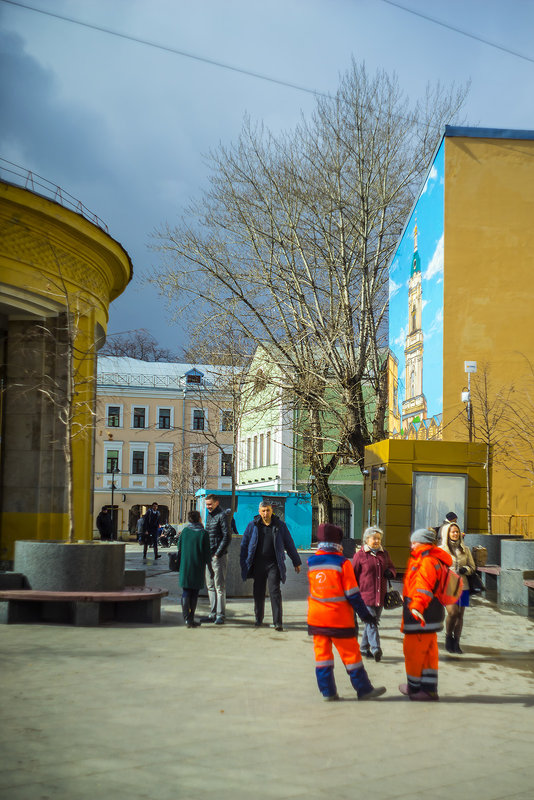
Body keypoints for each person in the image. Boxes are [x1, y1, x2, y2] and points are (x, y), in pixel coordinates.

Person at [307, 523, 386, 702]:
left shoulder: (311, 562)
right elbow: (353, 595)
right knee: (351, 656)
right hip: (339, 619)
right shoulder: (343, 563)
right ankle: (364, 690)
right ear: (338, 542)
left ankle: (328, 692)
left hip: (317, 619)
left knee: (322, 657)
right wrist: (366, 616)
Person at [399, 527, 453, 702]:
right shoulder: (433, 558)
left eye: (414, 542)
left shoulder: (426, 560)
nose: (411, 545)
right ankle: (429, 689)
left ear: (422, 543)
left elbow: (423, 588)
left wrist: (416, 607)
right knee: (429, 654)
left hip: (421, 616)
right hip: (433, 614)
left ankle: (414, 687)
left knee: (413, 653)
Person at [240, 501, 302, 631]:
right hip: (258, 564)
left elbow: (289, 544)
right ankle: (258, 618)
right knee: (258, 592)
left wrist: (296, 561)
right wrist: (243, 563)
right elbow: (244, 544)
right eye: (263, 511)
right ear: (259, 511)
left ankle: (278, 622)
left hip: (274, 564)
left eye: (267, 510)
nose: (265, 513)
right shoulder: (253, 526)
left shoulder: (280, 526)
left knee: (275, 592)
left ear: (271, 510)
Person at [351, 526, 396, 662]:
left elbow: (392, 567)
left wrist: (391, 573)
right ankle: (376, 648)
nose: (377, 541)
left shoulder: (385, 554)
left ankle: (364, 648)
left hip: (380, 595)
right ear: (367, 539)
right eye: (374, 538)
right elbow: (352, 575)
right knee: (371, 622)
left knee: (372, 622)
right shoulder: (360, 555)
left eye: (379, 539)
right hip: (365, 595)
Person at [439, 521, 476, 654]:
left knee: (460, 615)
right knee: (453, 612)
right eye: (452, 531)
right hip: (448, 586)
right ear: (447, 533)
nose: (455, 534)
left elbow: (472, 567)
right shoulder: (442, 550)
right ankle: (449, 636)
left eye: (457, 532)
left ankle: (457, 642)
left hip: (463, 586)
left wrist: (465, 569)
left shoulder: (465, 549)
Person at [177, 510, 212, 628]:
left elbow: (179, 547)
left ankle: (186, 618)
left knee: (186, 591)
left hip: (185, 566)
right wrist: (211, 570)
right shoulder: (203, 533)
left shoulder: (185, 532)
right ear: (199, 519)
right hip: (198, 566)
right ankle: (191, 618)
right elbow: (207, 554)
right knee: (194, 593)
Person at [203, 495, 232, 625]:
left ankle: (220, 614)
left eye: (210, 504)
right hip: (208, 556)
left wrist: (217, 554)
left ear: (216, 503)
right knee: (210, 586)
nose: (208, 506)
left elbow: (227, 536)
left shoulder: (222, 515)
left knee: (219, 586)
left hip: (218, 556)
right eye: (207, 504)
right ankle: (213, 613)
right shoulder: (209, 516)